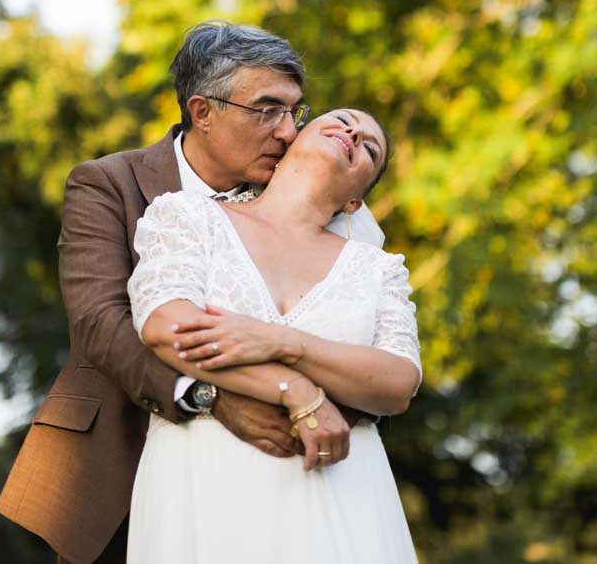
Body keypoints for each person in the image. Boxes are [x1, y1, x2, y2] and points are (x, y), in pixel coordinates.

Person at [0, 21, 385, 564]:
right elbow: (101, 325)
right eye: (266, 110)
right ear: (203, 111)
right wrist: (212, 398)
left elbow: (360, 322)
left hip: (281, 477)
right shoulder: (109, 183)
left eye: (295, 113)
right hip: (118, 460)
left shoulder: (304, 188)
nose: (288, 132)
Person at [125, 107, 420, 563]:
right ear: (289, 143)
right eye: (342, 120)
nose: (353, 133)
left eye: (370, 148)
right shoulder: (190, 217)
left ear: (354, 203)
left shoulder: (379, 270)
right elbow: (166, 326)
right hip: (203, 476)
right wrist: (296, 390)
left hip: (344, 489)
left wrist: (285, 343)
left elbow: (398, 382)